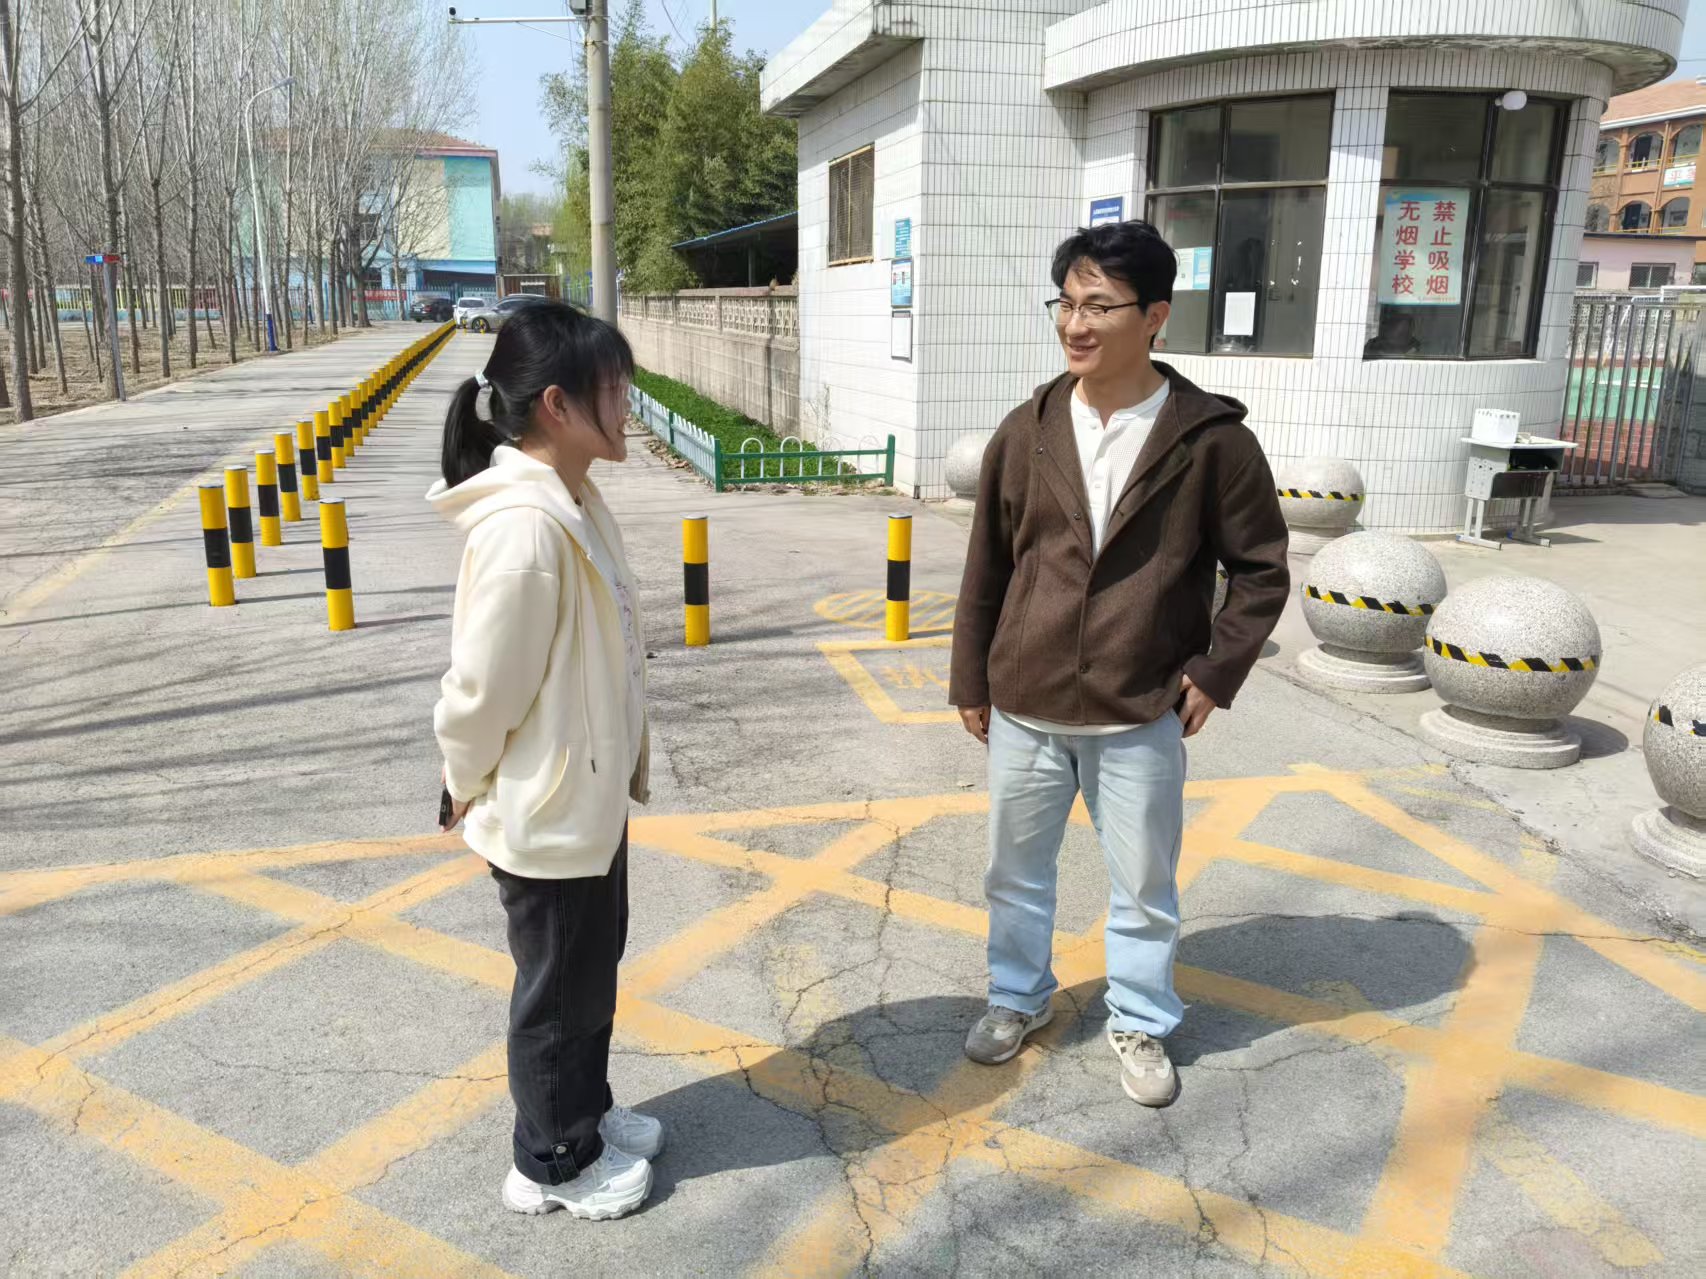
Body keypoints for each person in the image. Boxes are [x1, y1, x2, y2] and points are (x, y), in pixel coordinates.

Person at [948, 221, 1289, 1106]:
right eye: (1066, 303)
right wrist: (971, 677)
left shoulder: (1209, 440)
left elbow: (1261, 569)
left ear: (1156, 317)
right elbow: (988, 562)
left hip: (1141, 705)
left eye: (1099, 305)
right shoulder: (1028, 428)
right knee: (1014, 872)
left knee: (1142, 884)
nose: (1076, 324)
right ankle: (1016, 995)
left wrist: (1216, 669)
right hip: (1025, 699)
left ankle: (1139, 1017)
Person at [429, 300, 658, 1218]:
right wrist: (459, 779)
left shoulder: (574, 499)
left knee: (587, 974)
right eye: (615, 387)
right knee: (557, 995)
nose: (628, 403)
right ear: (558, 405)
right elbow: (481, 689)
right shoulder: (526, 529)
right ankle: (552, 1160)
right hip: (548, 809)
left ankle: (583, 1113)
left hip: (585, 801)